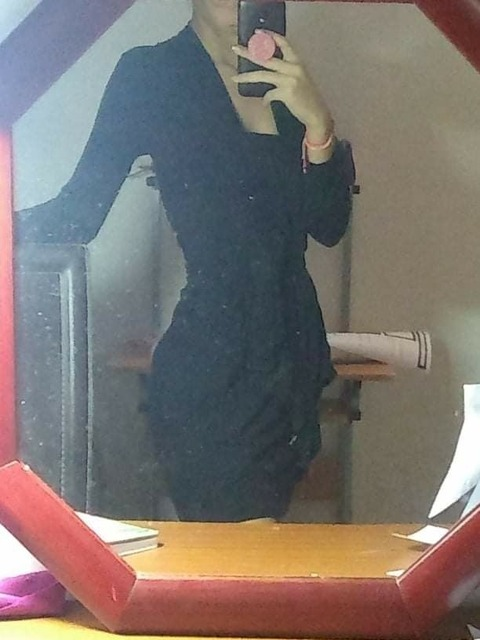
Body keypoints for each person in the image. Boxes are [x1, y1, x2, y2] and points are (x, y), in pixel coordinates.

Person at [16, 0, 355, 522]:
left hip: (293, 367)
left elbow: (328, 226)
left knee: (256, 559)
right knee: (237, 555)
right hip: (212, 367)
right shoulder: (151, 73)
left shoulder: (285, 80)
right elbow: (78, 214)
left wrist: (319, 124)